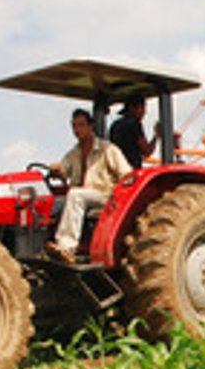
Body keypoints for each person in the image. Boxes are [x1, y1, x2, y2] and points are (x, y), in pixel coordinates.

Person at [45, 108, 132, 263]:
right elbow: (64, 169)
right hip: (84, 197)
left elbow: (127, 175)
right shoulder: (74, 153)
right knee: (50, 204)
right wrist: (57, 170)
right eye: (74, 126)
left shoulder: (108, 149)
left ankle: (66, 247)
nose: (77, 130)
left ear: (91, 127)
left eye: (81, 125)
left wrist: (118, 196)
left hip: (105, 196)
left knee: (75, 195)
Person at [108, 97, 155, 169]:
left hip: (116, 168)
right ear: (132, 108)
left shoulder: (114, 125)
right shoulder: (134, 124)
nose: (144, 112)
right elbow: (146, 151)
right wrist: (156, 135)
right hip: (132, 169)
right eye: (142, 108)